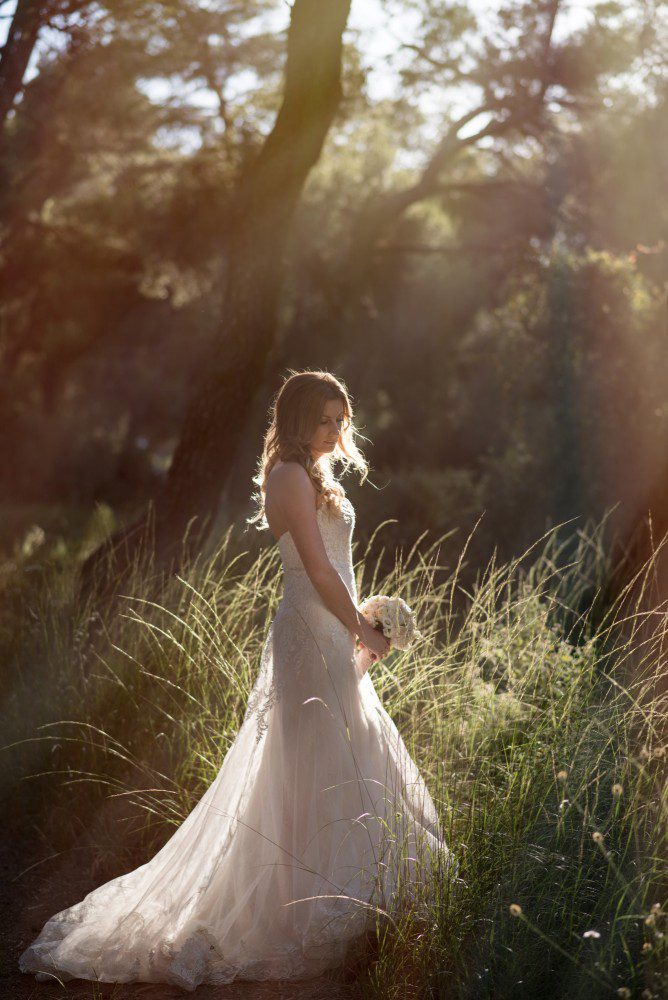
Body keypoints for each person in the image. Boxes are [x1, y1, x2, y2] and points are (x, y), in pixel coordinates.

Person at [19, 369, 457, 991]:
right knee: (317, 757)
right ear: (298, 419)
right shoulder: (287, 476)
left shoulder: (319, 475)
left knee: (343, 752)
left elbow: (339, 565)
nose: (336, 429)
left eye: (341, 419)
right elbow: (314, 567)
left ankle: (346, 901)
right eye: (324, 419)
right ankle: (303, 910)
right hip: (310, 630)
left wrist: (364, 627)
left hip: (331, 626)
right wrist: (363, 625)